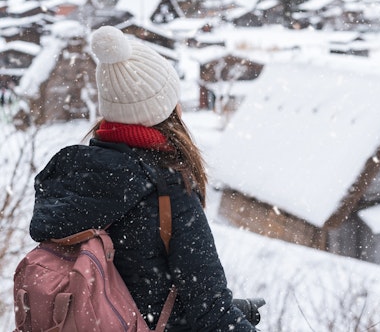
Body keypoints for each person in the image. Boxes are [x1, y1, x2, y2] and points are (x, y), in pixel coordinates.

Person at [29, 25, 257, 331]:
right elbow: (211, 313)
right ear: (164, 109)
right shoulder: (167, 189)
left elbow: (123, 283)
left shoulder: (73, 173)